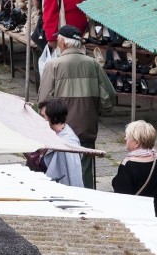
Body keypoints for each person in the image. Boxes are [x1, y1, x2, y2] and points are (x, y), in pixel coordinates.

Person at [38, 25, 116, 189]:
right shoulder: (93, 64)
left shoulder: (53, 65)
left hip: (61, 128)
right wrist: (99, 111)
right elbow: (110, 95)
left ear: (63, 43)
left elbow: (43, 100)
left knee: (60, 169)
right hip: (87, 124)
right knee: (85, 168)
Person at [112, 120, 157, 218]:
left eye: (128, 136)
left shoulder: (127, 165)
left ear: (137, 143)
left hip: (138, 221)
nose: (125, 138)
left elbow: (122, 203)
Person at [37, 98, 84, 187]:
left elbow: (73, 176)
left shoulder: (68, 143)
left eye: (43, 116)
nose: (41, 119)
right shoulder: (53, 132)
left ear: (53, 118)